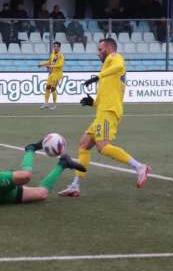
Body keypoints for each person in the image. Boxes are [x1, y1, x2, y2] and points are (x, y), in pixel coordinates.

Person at [58, 38, 151, 197]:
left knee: (103, 146)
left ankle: (139, 167)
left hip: (109, 111)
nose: (98, 53)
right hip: (102, 111)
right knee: (84, 144)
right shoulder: (108, 69)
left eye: (100, 49)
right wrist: (92, 102)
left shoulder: (114, 57)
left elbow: (120, 66)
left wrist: (98, 76)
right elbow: (102, 99)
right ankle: (75, 185)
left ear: (109, 48)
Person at [38, 41, 64, 110]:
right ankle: (46, 103)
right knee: (47, 87)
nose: (55, 47)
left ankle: (54, 105)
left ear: (59, 47)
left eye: (57, 46)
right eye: (54, 46)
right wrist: (42, 64)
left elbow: (60, 65)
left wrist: (51, 65)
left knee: (53, 89)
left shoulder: (60, 56)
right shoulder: (52, 54)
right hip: (52, 73)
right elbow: (49, 62)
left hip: (57, 74)